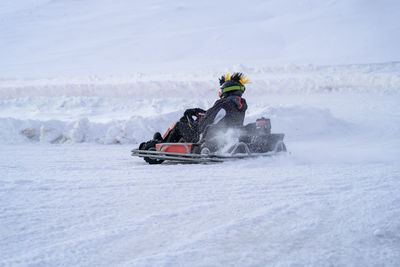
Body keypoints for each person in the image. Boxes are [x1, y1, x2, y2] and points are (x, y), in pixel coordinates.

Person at [164, 72, 248, 143]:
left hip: (205, 140)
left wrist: (192, 121)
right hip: (221, 139)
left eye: (220, 91)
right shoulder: (238, 105)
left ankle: (162, 148)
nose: (220, 94)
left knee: (179, 125)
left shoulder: (223, 104)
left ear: (226, 91)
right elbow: (218, 116)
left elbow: (201, 127)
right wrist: (199, 112)